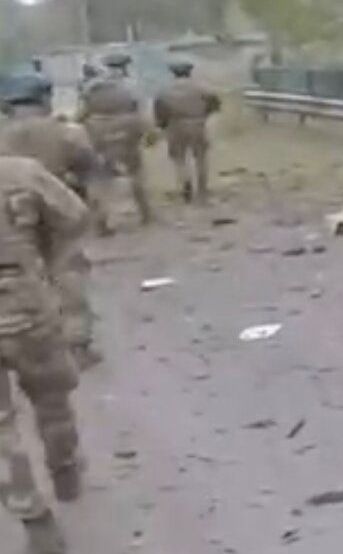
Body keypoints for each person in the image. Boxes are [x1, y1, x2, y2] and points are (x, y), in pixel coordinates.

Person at [0, 154, 92, 554]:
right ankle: (64, 466)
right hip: (27, 311)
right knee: (52, 399)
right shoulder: (20, 172)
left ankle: (35, 518)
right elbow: (73, 216)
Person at [0, 77, 103, 370]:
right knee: (69, 273)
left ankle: (24, 340)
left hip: (13, 217)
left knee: (20, 277)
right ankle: (77, 344)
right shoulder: (67, 131)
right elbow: (88, 165)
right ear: (45, 100)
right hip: (58, 209)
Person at [81, 52, 151, 228]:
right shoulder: (131, 85)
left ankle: (101, 220)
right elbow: (141, 110)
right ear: (126, 67)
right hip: (127, 128)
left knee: (99, 176)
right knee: (135, 171)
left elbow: (81, 112)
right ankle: (145, 213)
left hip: (98, 130)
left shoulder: (91, 86)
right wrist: (148, 131)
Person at [154, 59, 221, 204]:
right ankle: (202, 190)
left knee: (179, 158)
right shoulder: (202, 88)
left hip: (175, 125)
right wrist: (205, 114)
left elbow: (159, 111)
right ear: (190, 72)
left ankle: (185, 182)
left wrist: (162, 125)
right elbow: (215, 103)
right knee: (201, 158)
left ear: (173, 74)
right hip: (197, 124)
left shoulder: (164, 90)